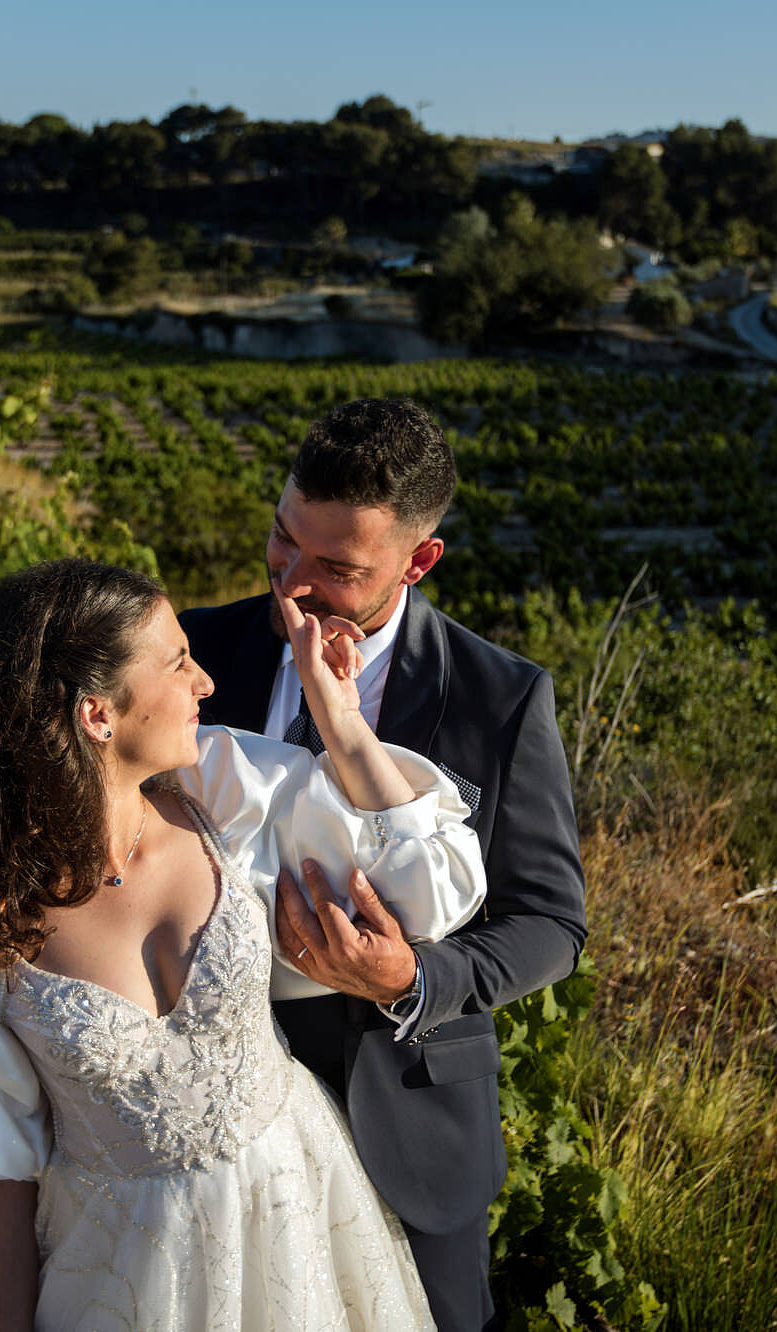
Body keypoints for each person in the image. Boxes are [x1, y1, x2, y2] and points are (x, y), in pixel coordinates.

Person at [0, 557, 491, 1331]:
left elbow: (434, 885)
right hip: (114, 1277)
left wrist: (341, 719)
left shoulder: (228, 798)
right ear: (98, 714)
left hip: (298, 1223)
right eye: (178, 662)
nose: (206, 682)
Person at [178, 398, 589, 1332]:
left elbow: (553, 925)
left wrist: (412, 976)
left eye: (337, 568)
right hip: (212, 1105)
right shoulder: (194, 650)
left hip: (406, 1114)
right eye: (285, 540)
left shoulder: (502, 699)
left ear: (419, 560)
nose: (295, 580)